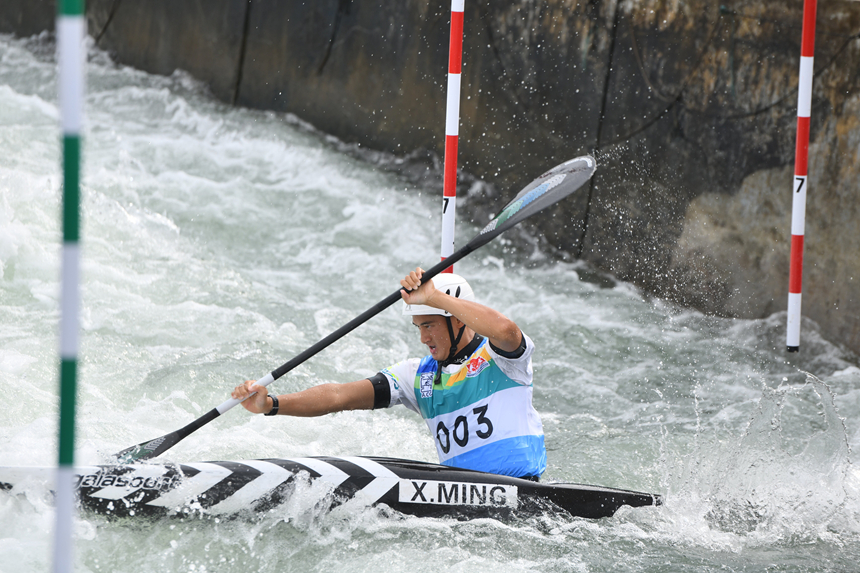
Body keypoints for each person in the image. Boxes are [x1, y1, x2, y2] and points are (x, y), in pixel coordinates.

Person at [232, 267, 546, 479]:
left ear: (458, 319)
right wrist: (272, 404)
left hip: (524, 489)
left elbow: (506, 330)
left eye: (429, 325)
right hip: (461, 498)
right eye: (418, 327)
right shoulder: (417, 376)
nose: (423, 338)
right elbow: (339, 396)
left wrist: (434, 296)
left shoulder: (502, 359)